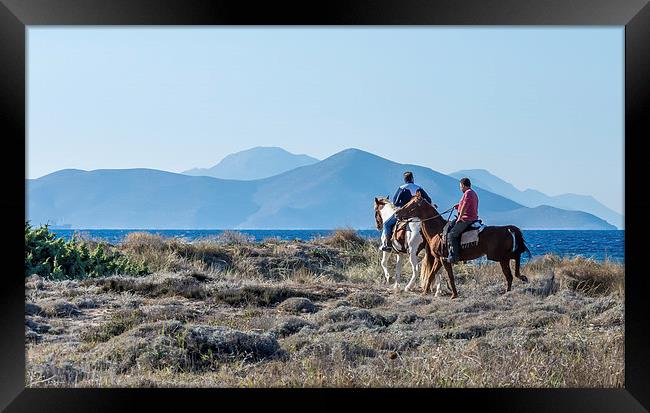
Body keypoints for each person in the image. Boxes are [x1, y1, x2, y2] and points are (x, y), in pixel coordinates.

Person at [380, 171, 432, 252]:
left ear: (404, 179)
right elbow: (428, 200)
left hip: (404, 214)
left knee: (386, 224)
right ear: (412, 178)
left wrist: (403, 204)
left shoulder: (402, 188)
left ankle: (388, 244)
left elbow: (395, 203)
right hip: (417, 214)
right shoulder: (419, 188)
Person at [445, 177, 479, 263]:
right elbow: (464, 204)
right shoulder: (473, 193)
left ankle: (454, 256)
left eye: (460, 186)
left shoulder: (468, 193)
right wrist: (458, 206)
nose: (460, 188)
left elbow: (465, 206)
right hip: (472, 217)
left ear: (463, 185)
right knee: (450, 227)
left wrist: (460, 218)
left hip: (467, 219)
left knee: (452, 234)